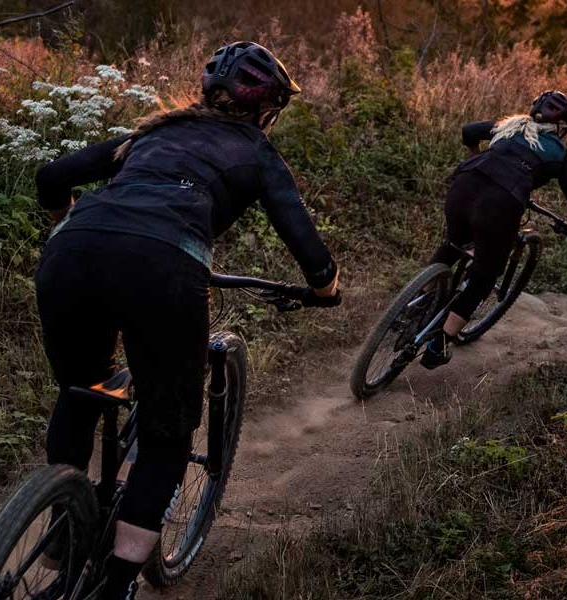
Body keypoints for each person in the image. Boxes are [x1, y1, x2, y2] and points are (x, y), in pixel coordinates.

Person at [31, 41, 339, 599]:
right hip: (163, 269)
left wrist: (69, 221)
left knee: (79, 392)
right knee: (167, 437)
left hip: (70, 251)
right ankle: (117, 586)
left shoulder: (150, 134)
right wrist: (325, 286)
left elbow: (51, 176)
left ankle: (60, 533)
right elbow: (304, 240)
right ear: (267, 110)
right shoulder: (258, 152)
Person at [421, 91, 567, 368]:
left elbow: (468, 130)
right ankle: (439, 343)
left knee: (453, 244)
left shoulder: (510, 126)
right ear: (560, 128)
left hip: (463, 186)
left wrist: (475, 154)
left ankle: (417, 302)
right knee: (485, 276)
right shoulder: (558, 153)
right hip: (499, 205)